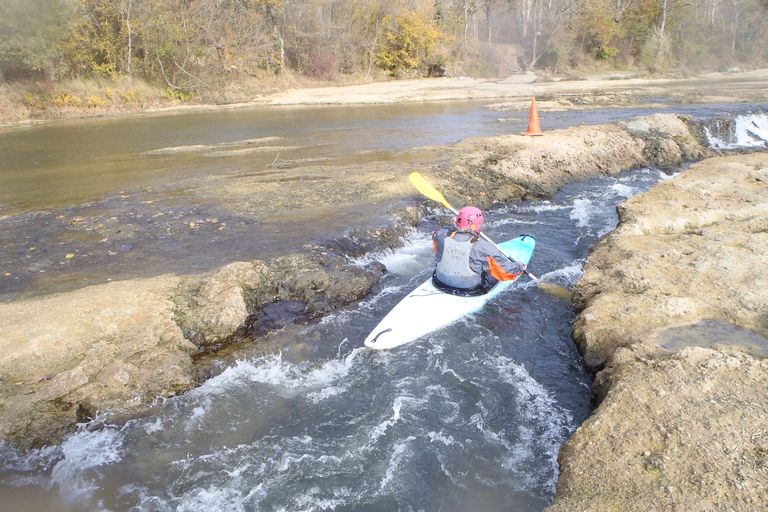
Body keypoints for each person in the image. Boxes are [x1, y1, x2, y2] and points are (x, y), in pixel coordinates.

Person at [432, 206, 526, 296]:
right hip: (468, 288)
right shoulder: (484, 246)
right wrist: (519, 267)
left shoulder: (440, 236)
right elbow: (505, 271)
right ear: (477, 224)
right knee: (492, 272)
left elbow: (441, 232)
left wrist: (454, 226)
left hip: (440, 281)